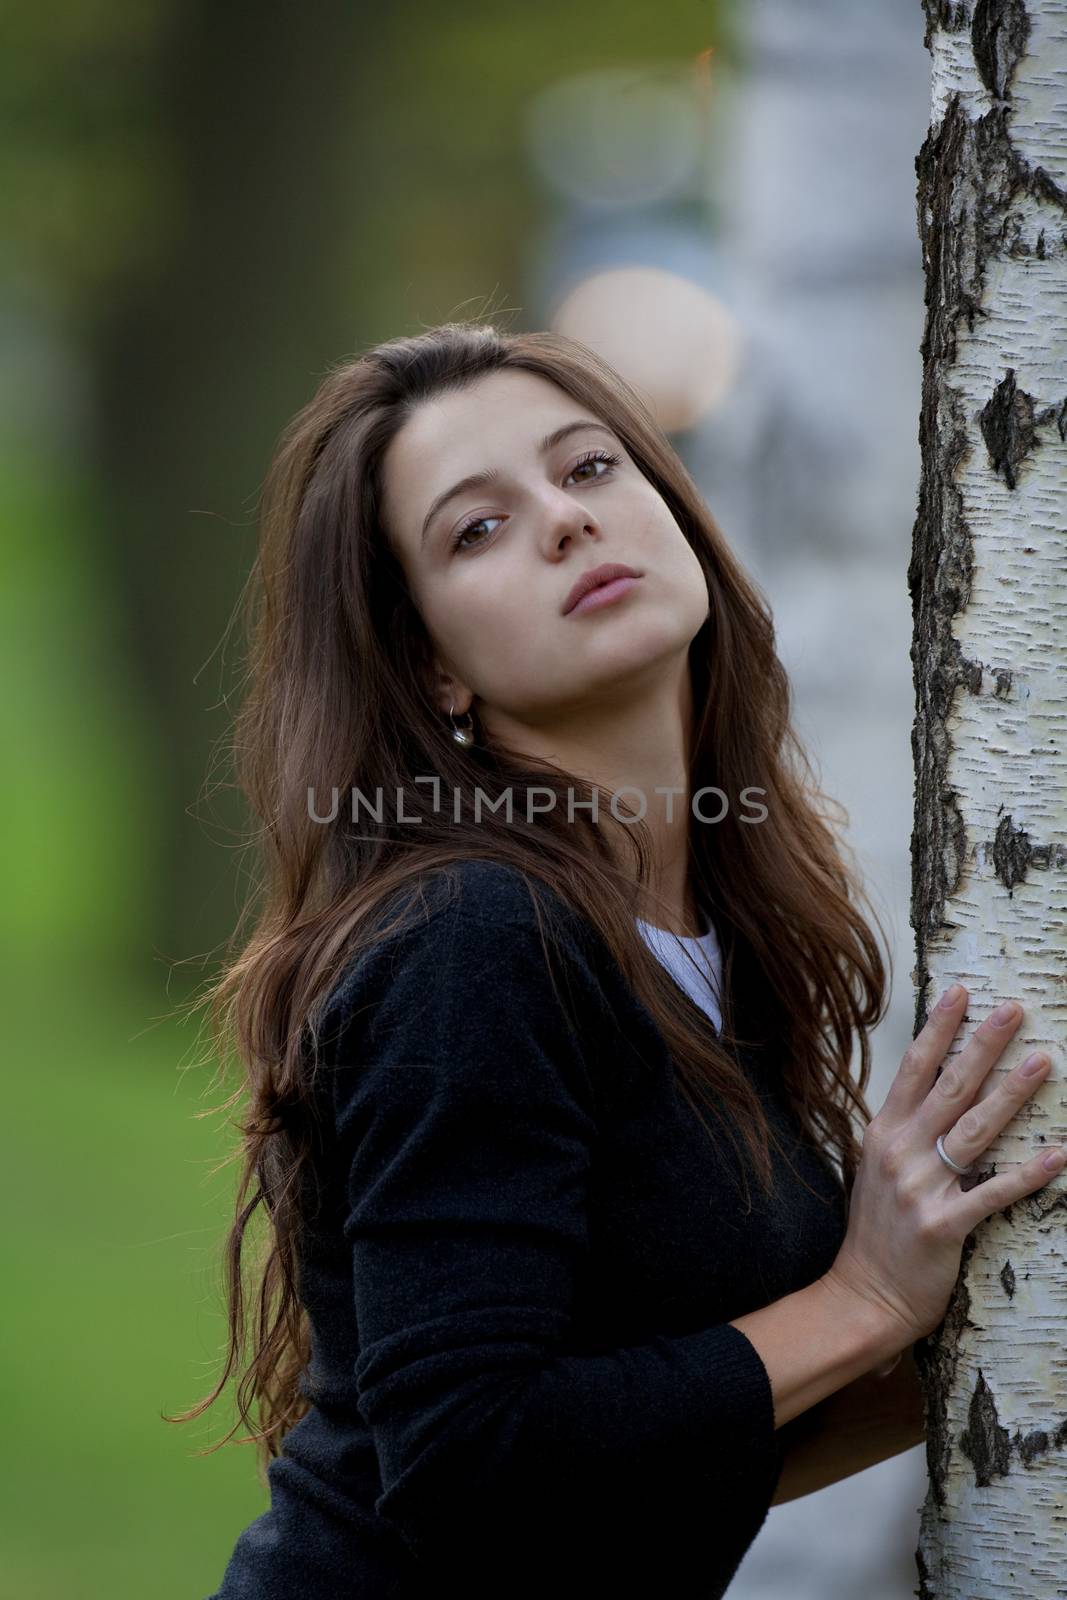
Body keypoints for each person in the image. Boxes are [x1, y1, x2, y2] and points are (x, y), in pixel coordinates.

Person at [175, 321, 1064, 1597]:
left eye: (587, 468)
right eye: (473, 529)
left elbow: (654, 1452)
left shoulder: (710, 917)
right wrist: (864, 1295)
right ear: (430, 666)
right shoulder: (472, 939)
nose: (563, 522)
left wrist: (981, 1338)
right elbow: (473, 1459)